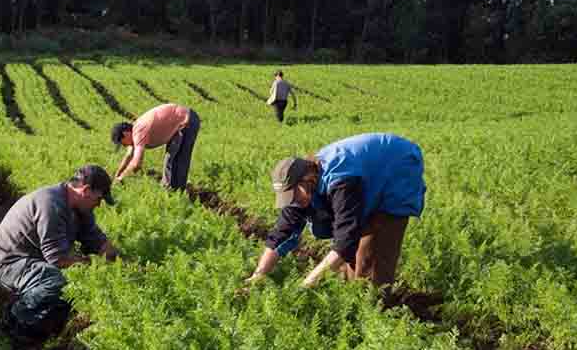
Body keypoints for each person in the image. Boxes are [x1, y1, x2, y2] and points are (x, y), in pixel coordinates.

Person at [243, 133, 426, 291]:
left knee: (370, 258)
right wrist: (258, 275)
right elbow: (281, 234)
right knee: (350, 259)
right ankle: (350, 298)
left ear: (307, 179)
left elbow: (345, 241)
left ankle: (373, 307)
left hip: (397, 169)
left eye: (294, 194)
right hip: (366, 176)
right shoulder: (303, 189)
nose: (293, 200)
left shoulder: (340, 182)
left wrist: (308, 283)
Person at [0, 164, 118, 340]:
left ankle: (45, 327)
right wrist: (91, 264)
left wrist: (119, 262)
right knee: (56, 280)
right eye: (99, 199)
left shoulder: (82, 209)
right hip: (7, 262)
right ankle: (13, 320)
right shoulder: (51, 204)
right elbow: (58, 259)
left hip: (32, 260)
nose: (99, 204)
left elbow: (97, 240)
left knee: (62, 285)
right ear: (85, 190)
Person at [111, 103, 201, 190]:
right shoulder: (136, 130)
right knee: (170, 160)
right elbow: (129, 155)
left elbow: (136, 164)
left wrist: (121, 178)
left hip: (187, 120)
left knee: (178, 160)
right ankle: (170, 190)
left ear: (125, 133)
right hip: (180, 121)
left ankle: (175, 193)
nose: (125, 145)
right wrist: (117, 175)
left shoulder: (139, 132)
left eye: (123, 143)